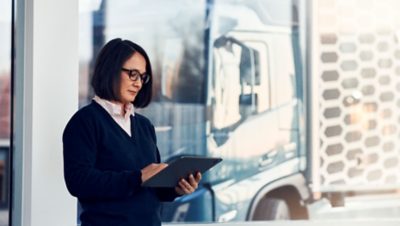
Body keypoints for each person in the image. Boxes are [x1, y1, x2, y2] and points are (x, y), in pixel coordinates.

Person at [63, 38, 202, 226]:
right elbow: (79, 182)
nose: (138, 83)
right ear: (110, 70)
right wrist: (138, 177)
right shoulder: (85, 122)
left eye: (143, 77)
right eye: (132, 74)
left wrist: (176, 189)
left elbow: (151, 187)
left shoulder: (144, 126)